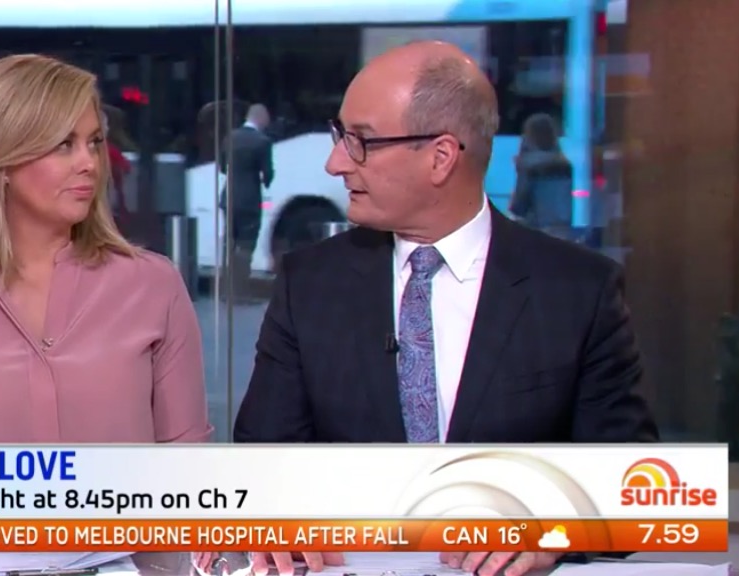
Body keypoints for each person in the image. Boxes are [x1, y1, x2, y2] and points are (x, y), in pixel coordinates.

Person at [233, 41, 658, 576]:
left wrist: (551, 535)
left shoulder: (578, 291)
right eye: (340, 136)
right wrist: (275, 522)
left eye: (360, 141)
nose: (335, 162)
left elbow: (632, 486)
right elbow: (259, 464)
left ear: (441, 157)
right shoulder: (309, 285)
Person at [0, 54, 211, 444]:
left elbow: (187, 467)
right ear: (1, 160)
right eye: (64, 144)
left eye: (94, 142)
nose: (90, 163)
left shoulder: (154, 287)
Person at [219, 103, 275, 301]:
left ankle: (225, 290)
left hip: (228, 197)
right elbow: (268, 174)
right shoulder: (262, 141)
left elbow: (222, 168)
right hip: (249, 199)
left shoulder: (230, 137)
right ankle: (240, 290)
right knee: (246, 243)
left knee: (229, 242)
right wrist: (265, 180)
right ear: (261, 119)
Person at [509, 113, 574, 241]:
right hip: (563, 231)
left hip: (538, 232)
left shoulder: (528, 165)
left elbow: (519, 207)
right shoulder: (565, 165)